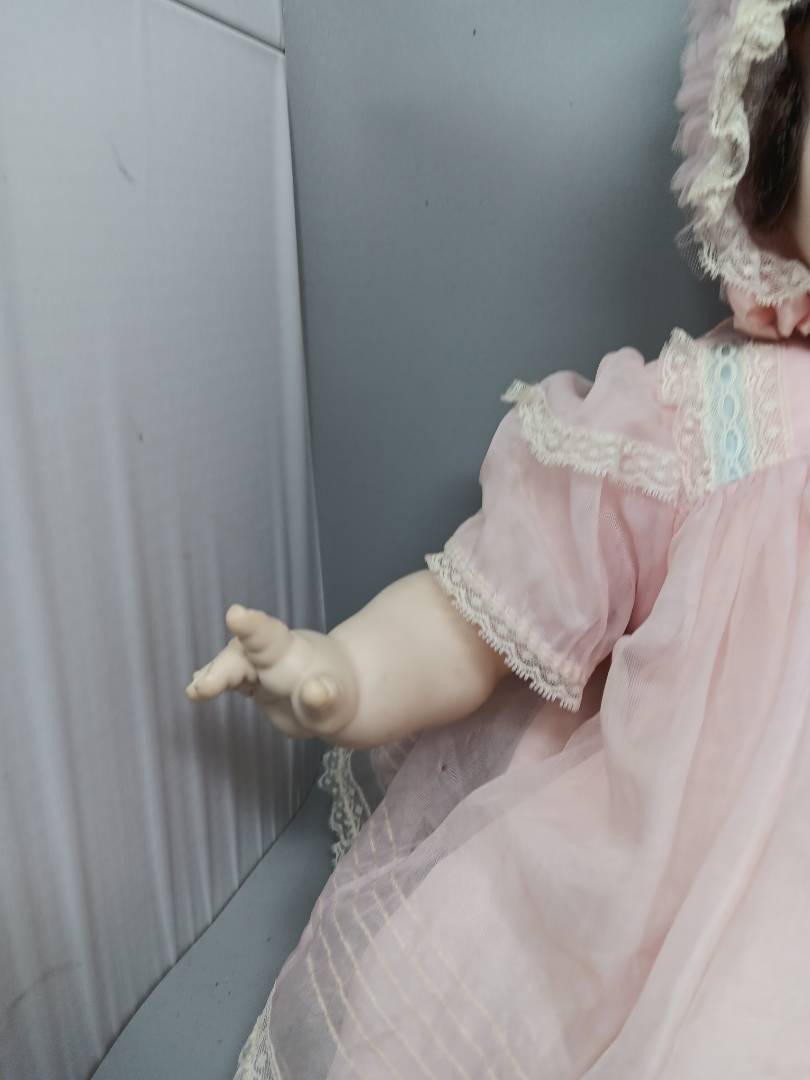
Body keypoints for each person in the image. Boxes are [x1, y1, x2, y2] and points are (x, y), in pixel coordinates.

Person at [188, 2, 810, 1076]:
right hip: (701, 876)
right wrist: (351, 670)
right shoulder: (702, 419)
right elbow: (489, 607)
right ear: (767, 152)